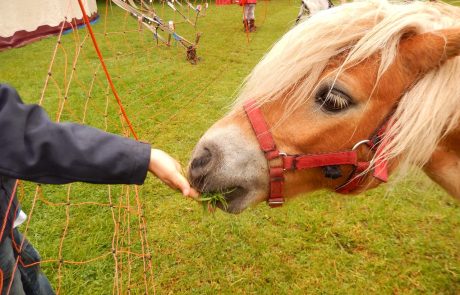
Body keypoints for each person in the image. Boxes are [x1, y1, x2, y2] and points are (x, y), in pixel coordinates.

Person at [0, 84, 198, 294]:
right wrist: (144, 158)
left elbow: (16, 131)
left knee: (32, 272)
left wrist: (144, 157)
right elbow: (27, 139)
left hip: (7, 222)